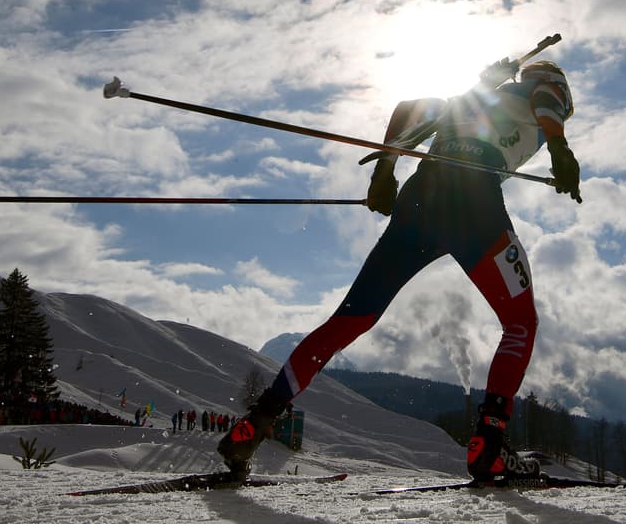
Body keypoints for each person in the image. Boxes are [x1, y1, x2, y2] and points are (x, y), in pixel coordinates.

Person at [218, 59, 581, 481]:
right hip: (472, 205)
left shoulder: (477, 99)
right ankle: (490, 445)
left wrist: (383, 174)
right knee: (520, 322)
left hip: (418, 201)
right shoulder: (542, 93)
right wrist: (560, 149)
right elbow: (544, 100)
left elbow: (411, 107)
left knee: (348, 321)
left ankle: (257, 421)